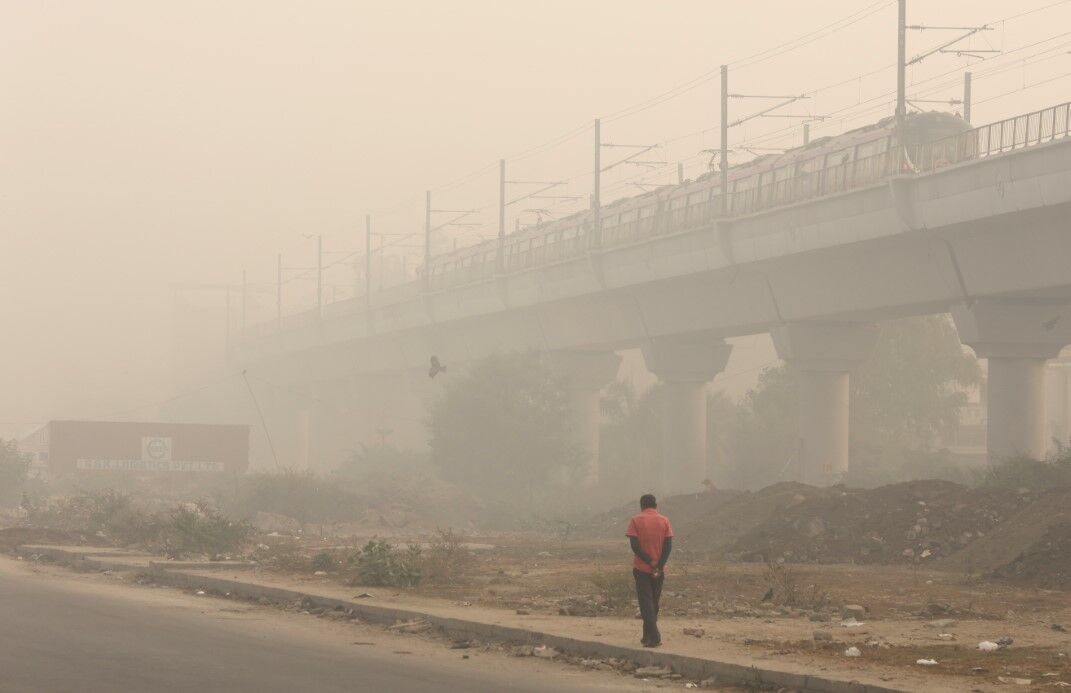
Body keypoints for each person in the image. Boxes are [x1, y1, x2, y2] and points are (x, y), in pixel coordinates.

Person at [625, 493, 673, 647]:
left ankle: (654, 636)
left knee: (646, 602)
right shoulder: (664, 520)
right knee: (653, 601)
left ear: (641, 505)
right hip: (659, 570)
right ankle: (647, 635)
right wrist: (659, 565)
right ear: (656, 505)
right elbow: (668, 546)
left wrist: (649, 561)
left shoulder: (635, 520)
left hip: (641, 568)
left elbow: (635, 546)